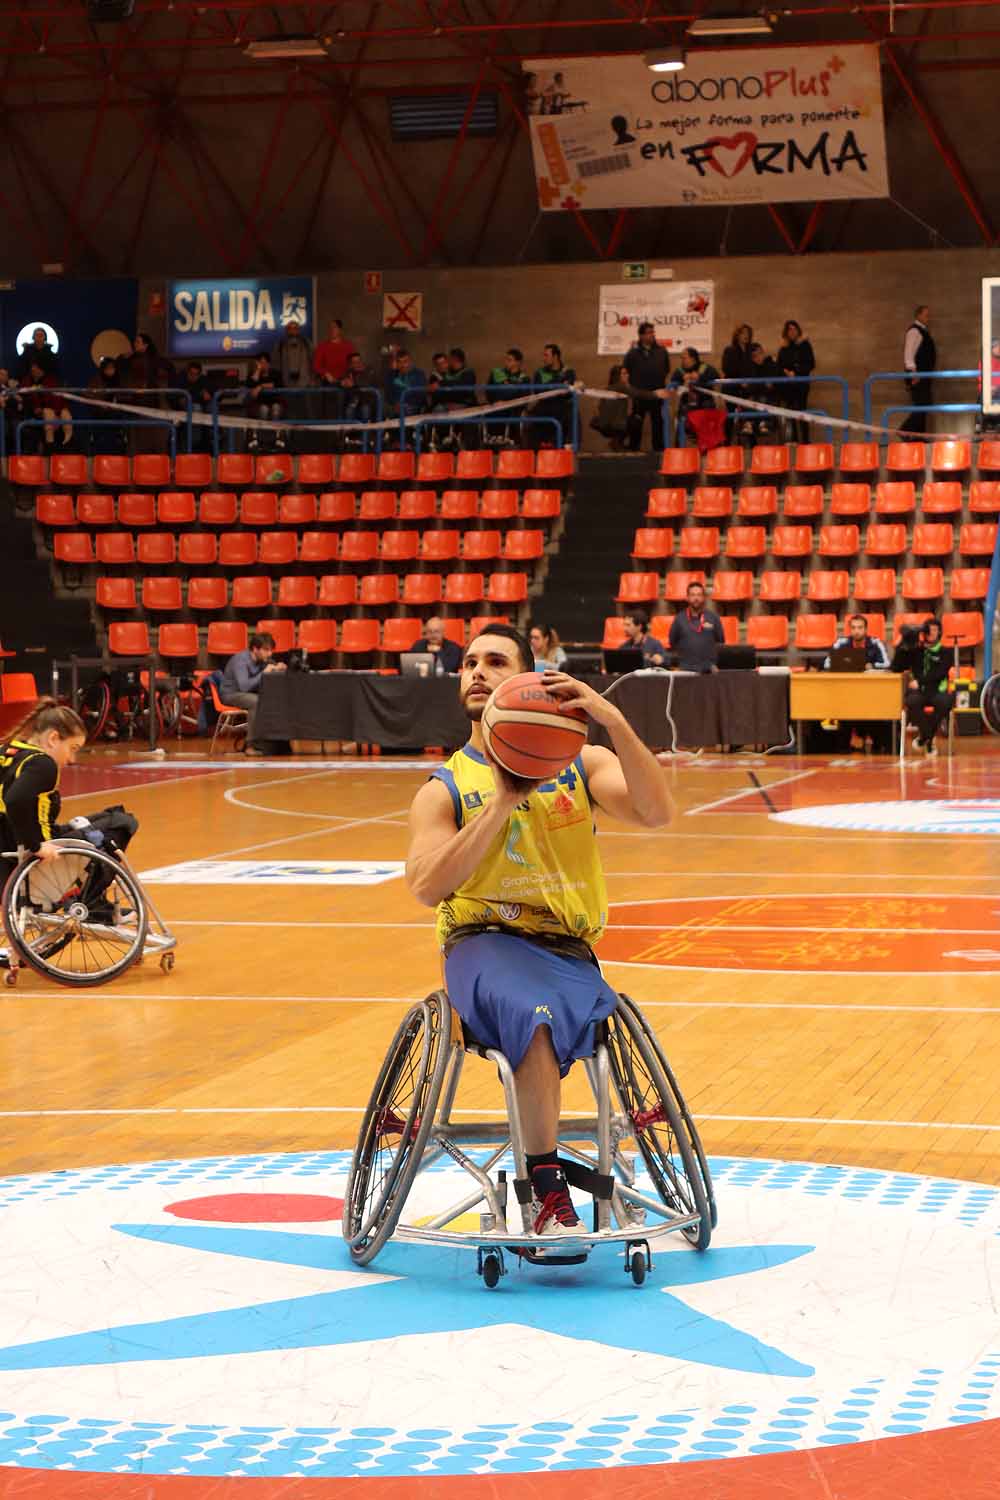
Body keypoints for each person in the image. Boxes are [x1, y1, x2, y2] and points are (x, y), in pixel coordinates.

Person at [405, 624, 672, 1235]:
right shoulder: (443, 787)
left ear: (529, 679)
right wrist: (500, 802)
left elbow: (657, 811)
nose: (475, 671)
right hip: (482, 947)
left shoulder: (584, 764)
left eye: (494, 662)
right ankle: (543, 1186)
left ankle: (564, 1166)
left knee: (552, 1005)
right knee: (537, 1014)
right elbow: (425, 886)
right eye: (469, 662)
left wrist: (612, 719)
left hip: (567, 950)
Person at [0, 698, 139, 931]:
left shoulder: (9, 749)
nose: (72, 759)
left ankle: (96, 905)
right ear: (53, 738)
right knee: (122, 825)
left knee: (111, 815)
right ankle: (92, 908)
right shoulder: (43, 764)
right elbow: (15, 800)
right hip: (34, 858)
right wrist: (35, 846)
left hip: (5, 855)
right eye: (72, 749)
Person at [823, 612, 891, 752]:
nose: (856, 631)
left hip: (871, 692)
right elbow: (827, 664)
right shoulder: (841, 643)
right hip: (847, 691)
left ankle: (879, 745)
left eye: (860, 627)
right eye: (853, 628)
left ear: (865, 630)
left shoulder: (875, 643)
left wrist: (871, 666)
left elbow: (886, 664)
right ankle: (843, 747)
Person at [220, 631, 286, 756]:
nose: (270, 653)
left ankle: (273, 743)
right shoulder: (241, 660)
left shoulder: (262, 660)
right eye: (266, 650)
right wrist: (264, 673)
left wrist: (277, 668)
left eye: (271, 650)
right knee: (256, 702)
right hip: (231, 694)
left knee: (272, 699)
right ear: (255, 649)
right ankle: (250, 746)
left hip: (245, 693)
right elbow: (244, 687)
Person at [897, 616, 952, 756]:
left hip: (937, 689)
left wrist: (920, 682)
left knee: (945, 702)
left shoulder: (946, 652)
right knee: (911, 701)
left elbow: (939, 673)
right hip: (919, 692)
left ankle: (923, 737)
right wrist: (904, 643)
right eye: (928, 630)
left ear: (940, 633)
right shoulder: (916, 651)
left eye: (935, 630)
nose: (931, 633)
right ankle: (929, 738)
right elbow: (898, 666)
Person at [622, 322, 670, 453]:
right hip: (639, 395)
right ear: (641, 335)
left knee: (658, 423)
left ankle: (659, 450)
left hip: (657, 393)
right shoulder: (632, 354)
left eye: (653, 332)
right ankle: (634, 449)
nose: (652, 335)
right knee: (636, 423)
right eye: (648, 332)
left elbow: (666, 370)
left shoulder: (662, 351)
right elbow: (626, 371)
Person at [668, 580, 725, 673]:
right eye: (693, 595)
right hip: (685, 670)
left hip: (709, 670)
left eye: (699, 595)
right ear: (687, 597)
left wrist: (713, 664)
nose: (696, 598)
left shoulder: (713, 617)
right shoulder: (679, 619)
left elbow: (721, 641)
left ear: (704, 598)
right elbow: (672, 642)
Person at [777, 320, 815, 444]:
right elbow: (779, 364)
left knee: (802, 411)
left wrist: (796, 372)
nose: (792, 332)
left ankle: (805, 441)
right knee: (790, 412)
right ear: (786, 332)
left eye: (794, 329)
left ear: (798, 330)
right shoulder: (784, 347)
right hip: (788, 385)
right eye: (789, 329)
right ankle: (793, 440)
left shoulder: (805, 345)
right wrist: (786, 372)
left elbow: (810, 364)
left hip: (801, 384)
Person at [531, 343, 576, 449]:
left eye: (546, 355)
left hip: (562, 406)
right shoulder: (539, 373)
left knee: (573, 412)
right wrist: (558, 383)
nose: (544, 358)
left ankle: (569, 446)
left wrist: (551, 387)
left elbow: (568, 391)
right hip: (544, 406)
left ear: (555, 357)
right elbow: (538, 391)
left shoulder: (568, 372)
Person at [21, 359, 72, 450]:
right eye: (32, 367)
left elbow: (58, 398)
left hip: (55, 410)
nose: (34, 369)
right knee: (47, 412)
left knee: (65, 413)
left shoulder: (51, 381)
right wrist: (36, 407)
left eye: (36, 367)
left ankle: (67, 441)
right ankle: (50, 444)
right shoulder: (27, 381)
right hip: (37, 412)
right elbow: (26, 398)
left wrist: (59, 411)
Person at [902, 304, 935, 436]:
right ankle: (905, 431)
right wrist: (913, 374)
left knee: (923, 405)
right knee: (922, 404)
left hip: (924, 375)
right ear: (918, 315)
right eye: (926, 315)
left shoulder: (923, 331)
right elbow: (908, 354)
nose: (928, 318)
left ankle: (918, 437)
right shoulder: (914, 331)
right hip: (918, 375)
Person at [487, 348, 531, 445]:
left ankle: (509, 439)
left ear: (518, 362)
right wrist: (496, 400)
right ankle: (493, 438)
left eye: (509, 360)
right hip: (496, 405)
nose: (506, 362)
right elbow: (489, 391)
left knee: (512, 411)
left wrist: (505, 401)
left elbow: (523, 396)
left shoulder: (525, 379)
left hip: (513, 408)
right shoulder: (497, 373)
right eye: (506, 359)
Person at [245, 352, 283, 448]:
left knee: (276, 408)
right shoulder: (253, 374)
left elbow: (277, 384)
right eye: (260, 363)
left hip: (274, 401)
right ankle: (261, 439)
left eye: (264, 363)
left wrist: (261, 386)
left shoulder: (276, 373)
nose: (263, 365)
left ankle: (277, 438)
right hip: (259, 403)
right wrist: (257, 371)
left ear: (269, 363)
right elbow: (250, 384)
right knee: (263, 409)